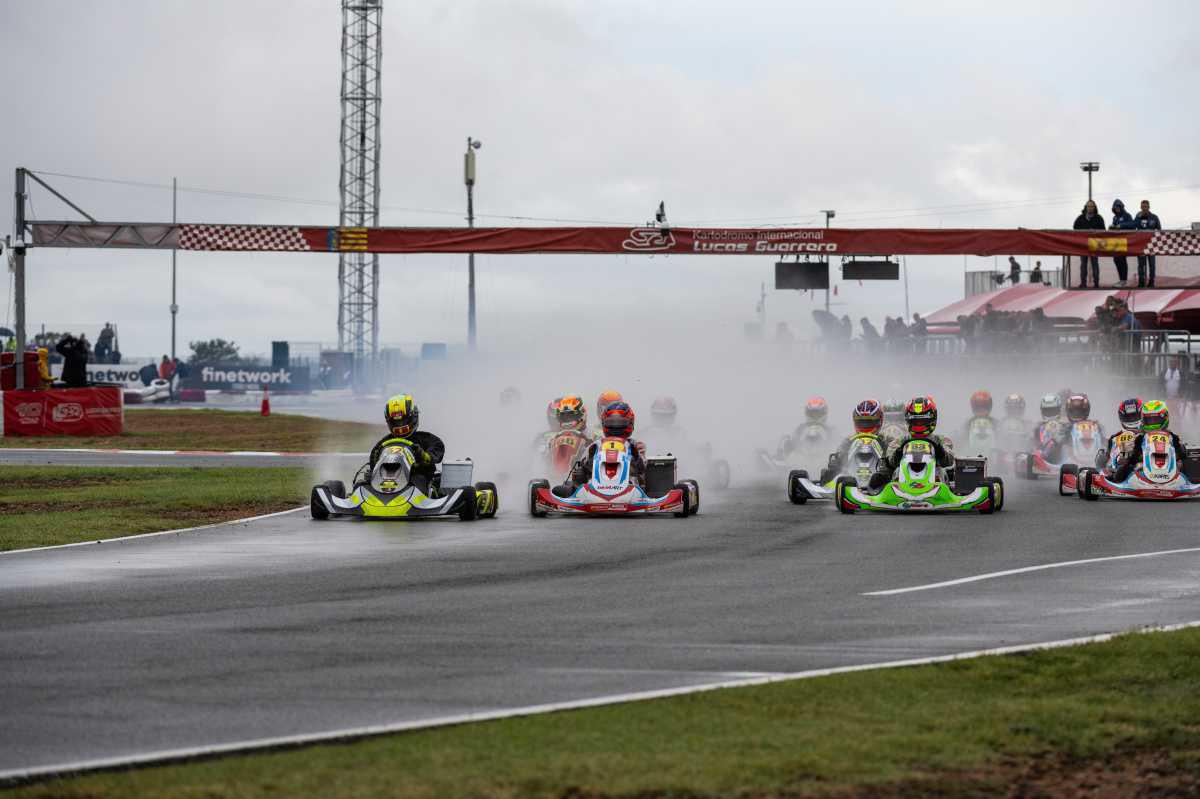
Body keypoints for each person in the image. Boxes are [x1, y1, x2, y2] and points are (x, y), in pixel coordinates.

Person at [556, 401, 646, 496]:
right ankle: (583, 492)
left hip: (631, 488)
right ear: (604, 423)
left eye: (621, 423)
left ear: (630, 423)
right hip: (595, 489)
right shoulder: (596, 445)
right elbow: (582, 465)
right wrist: (581, 472)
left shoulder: (635, 446)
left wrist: (635, 459)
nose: (615, 427)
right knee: (561, 488)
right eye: (611, 423)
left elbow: (643, 469)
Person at [365, 394, 446, 493]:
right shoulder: (383, 444)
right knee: (361, 484)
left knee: (418, 480)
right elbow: (374, 466)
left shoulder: (427, 439)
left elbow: (436, 453)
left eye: (404, 420)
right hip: (384, 481)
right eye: (396, 422)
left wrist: (423, 456)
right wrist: (375, 460)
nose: (400, 426)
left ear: (413, 417)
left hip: (417, 480)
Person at [869, 396, 954, 489]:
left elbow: (949, 461)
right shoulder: (898, 441)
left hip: (935, 482)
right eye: (915, 421)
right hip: (903, 482)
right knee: (885, 475)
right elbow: (891, 462)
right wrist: (899, 451)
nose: (919, 424)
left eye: (922, 421)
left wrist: (939, 450)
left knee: (941, 470)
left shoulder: (942, 440)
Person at [1111, 400, 1186, 482]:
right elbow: (1131, 457)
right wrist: (1126, 455)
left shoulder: (1173, 437)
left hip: (1172, 474)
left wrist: (1180, 451)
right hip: (1142, 475)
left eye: (1155, 420)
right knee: (1125, 458)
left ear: (1165, 418)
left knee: (1182, 462)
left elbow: (1182, 454)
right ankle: (1117, 480)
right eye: (1149, 420)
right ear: (1143, 420)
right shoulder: (1139, 438)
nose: (1153, 423)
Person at [828, 399, 889, 475]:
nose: (865, 425)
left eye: (869, 422)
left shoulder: (886, 440)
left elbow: (894, 461)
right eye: (861, 422)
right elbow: (837, 460)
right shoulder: (848, 441)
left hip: (881, 478)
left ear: (880, 420)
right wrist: (837, 462)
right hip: (849, 478)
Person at [1098, 398, 1142, 474]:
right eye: (1129, 417)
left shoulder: (1147, 435)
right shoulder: (1114, 438)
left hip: (1145, 468)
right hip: (1120, 472)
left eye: (1134, 416)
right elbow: (1106, 459)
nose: (1132, 419)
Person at [1073, 200, 1105, 288]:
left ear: (1095, 207)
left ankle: (1096, 284)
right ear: (1085, 207)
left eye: (1092, 206)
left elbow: (1103, 230)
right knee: (1083, 264)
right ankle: (1083, 283)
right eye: (1088, 206)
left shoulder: (1099, 218)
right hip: (1083, 245)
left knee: (1095, 263)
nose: (1090, 208)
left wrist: (1094, 231)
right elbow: (1075, 229)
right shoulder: (1080, 218)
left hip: (1095, 244)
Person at [1134, 200, 1162, 287]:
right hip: (1141, 245)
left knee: (1152, 265)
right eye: (1143, 207)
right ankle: (1141, 282)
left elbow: (1159, 230)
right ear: (1140, 207)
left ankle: (1151, 282)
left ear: (1149, 207)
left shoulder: (1154, 217)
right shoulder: (1137, 217)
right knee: (1141, 265)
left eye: (1146, 206)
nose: (1144, 208)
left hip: (1151, 245)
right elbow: (1133, 228)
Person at [1034, 393, 1069, 461]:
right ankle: (1043, 456)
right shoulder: (1038, 427)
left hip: (1062, 455)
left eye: (1053, 410)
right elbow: (1034, 443)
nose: (1050, 413)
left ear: (1059, 410)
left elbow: (1069, 442)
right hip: (1043, 454)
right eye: (1047, 411)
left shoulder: (1065, 425)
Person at [1109, 199, 1136, 287]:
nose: (1117, 209)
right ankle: (1121, 280)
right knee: (1116, 259)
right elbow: (1114, 228)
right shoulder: (1115, 218)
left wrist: (1121, 225)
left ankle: (1124, 280)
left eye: (1118, 207)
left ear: (1121, 207)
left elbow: (1132, 225)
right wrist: (1112, 227)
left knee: (1122, 259)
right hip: (1116, 242)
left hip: (1124, 241)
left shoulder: (1127, 215)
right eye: (1115, 207)